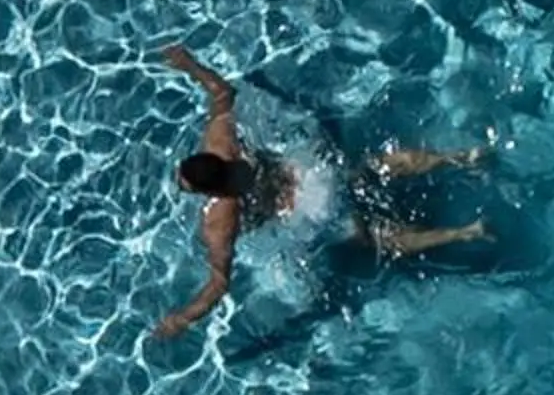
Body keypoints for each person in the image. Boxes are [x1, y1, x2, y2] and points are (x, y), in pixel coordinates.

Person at [154, 45, 490, 340]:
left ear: (208, 190)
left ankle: (465, 232)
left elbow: (218, 285)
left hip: (308, 211)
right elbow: (221, 92)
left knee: (375, 237)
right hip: (309, 174)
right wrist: (189, 63)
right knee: (371, 167)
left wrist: (181, 319)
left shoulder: (219, 217)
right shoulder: (220, 139)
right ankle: (460, 157)